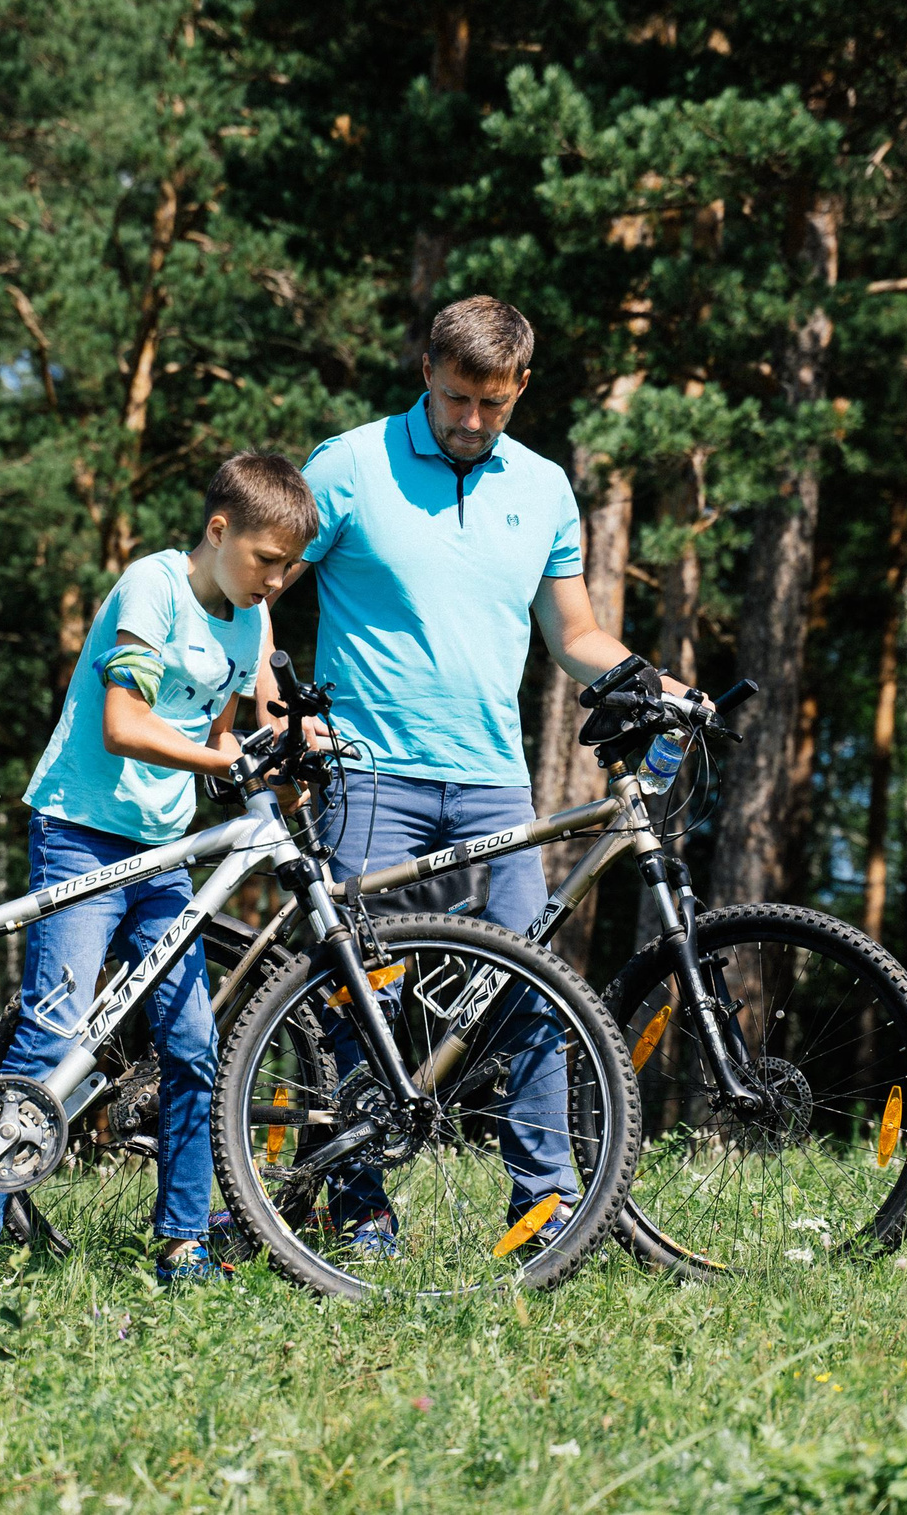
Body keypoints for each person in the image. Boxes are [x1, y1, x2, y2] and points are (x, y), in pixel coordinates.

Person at [284, 295, 678, 1253]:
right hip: (369, 773)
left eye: (493, 406)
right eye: (457, 398)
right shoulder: (347, 465)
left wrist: (658, 684)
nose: (470, 422)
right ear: (427, 369)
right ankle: (356, 1203)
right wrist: (272, 707)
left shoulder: (542, 488)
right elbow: (254, 582)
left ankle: (541, 1207)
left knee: (535, 985)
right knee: (356, 995)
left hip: (495, 780)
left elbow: (574, 634)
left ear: (521, 390)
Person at [0, 451, 316, 1290]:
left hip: (163, 851)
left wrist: (268, 754)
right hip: (81, 832)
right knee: (50, 1040)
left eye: (291, 567)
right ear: (219, 531)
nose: (279, 581)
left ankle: (181, 1240)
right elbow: (125, 724)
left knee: (191, 1044)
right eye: (267, 560)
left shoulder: (248, 622)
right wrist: (223, 768)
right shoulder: (155, 586)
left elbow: (211, 739)